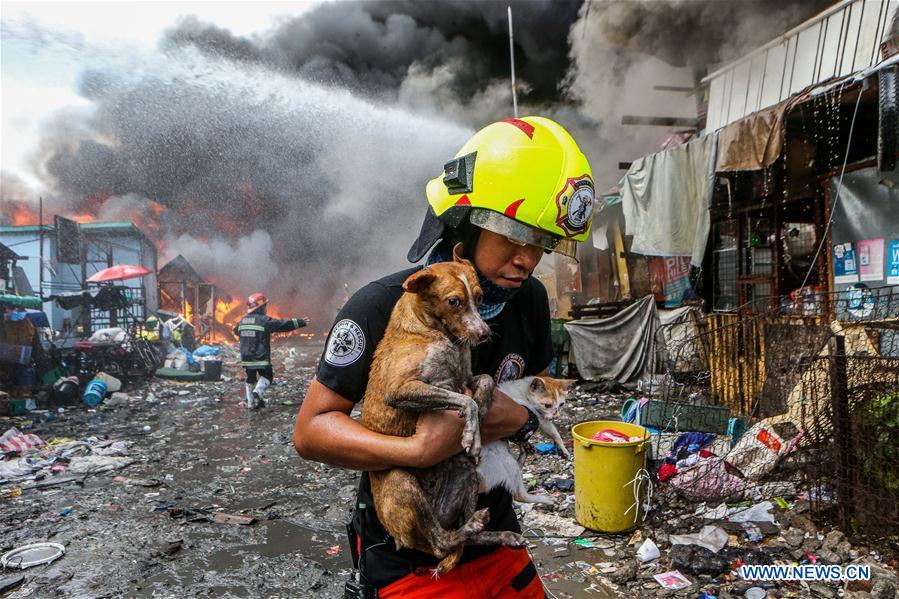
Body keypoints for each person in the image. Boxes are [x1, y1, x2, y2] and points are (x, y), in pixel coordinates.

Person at [294, 116, 596, 598]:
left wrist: (512, 417)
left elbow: (535, 394)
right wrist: (416, 451)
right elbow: (311, 431)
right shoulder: (383, 305)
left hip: (493, 535)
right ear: (465, 223)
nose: (528, 259)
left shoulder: (532, 301)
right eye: (515, 236)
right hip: (408, 558)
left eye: (541, 243)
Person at [234, 292, 308, 409]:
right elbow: (281, 325)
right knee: (267, 376)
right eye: (265, 307)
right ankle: (258, 392)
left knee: (250, 378)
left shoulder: (241, 321)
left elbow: (236, 331)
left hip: (246, 358)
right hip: (260, 357)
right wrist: (299, 322)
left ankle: (250, 404)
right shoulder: (264, 320)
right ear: (261, 308)